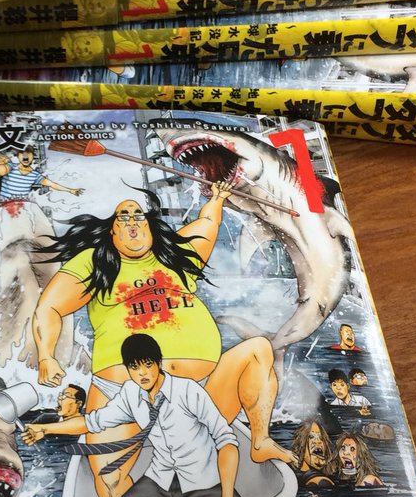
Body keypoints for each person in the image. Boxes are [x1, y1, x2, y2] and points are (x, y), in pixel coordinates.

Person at [32, 188, 294, 467]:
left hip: (198, 395)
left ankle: (260, 441)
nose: (132, 222)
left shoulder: (176, 254)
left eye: (138, 216)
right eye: (123, 217)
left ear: (149, 226)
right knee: (111, 481)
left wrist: (218, 197)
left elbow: (208, 222)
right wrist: (46, 356)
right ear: (112, 231)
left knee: (259, 349)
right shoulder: (94, 261)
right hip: (123, 393)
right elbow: (49, 308)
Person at [24, 333, 244, 497]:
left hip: (204, 482)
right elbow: (92, 422)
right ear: (128, 369)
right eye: (135, 367)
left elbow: (226, 441)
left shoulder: (187, 390)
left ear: (159, 363)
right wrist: (45, 429)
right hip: (159, 481)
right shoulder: (131, 393)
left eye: (148, 365)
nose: (142, 374)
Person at [0, 145, 83, 202]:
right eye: (22, 154)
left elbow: (52, 184)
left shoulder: (35, 175)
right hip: (4, 204)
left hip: (22, 206)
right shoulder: (12, 166)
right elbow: (2, 172)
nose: (25, 156)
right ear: (18, 156)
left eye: (28, 154)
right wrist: (2, 164)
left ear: (32, 157)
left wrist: (70, 190)